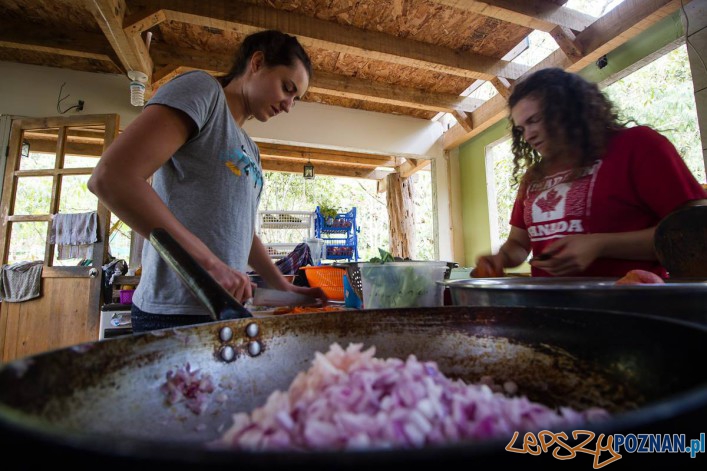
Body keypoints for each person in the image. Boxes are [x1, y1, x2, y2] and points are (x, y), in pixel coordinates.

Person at [88, 30, 326, 332]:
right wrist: (211, 264)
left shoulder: (250, 149)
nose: (289, 105)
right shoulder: (204, 92)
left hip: (225, 311)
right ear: (257, 63)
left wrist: (283, 288)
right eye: (287, 87)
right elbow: (112, 177)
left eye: (296, 99)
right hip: (173, 314)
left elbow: (242, 231)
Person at [475, 67, 706, 278]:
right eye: (521, 129)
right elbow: (518, 244)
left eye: (534, 120)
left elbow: (695, 235)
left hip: (629, 308)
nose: (528, 136)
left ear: (566, 109)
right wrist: (500, 259)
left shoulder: (638, 146)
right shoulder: (534, 176)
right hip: (548, 311)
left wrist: (600, 245)